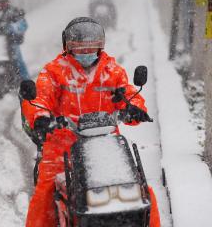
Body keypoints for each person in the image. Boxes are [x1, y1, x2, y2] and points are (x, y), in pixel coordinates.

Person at [21, 17, 161, 227]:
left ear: (100, 47)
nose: (86, 53)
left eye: (91, 49)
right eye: (80, 49)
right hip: (62, 145)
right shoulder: (54, 71)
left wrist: (133, 108)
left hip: (106, 147)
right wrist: (41, 119)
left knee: (141, 191)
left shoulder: (112, 71)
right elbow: (40, 98)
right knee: (44, 194)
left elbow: (130, 94)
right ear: (67, 47)